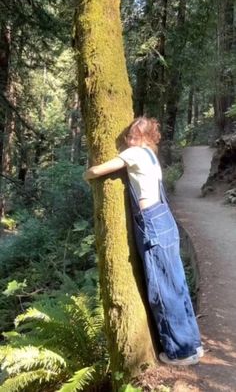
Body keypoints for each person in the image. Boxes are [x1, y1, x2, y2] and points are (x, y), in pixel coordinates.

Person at [83, 116, 203, 366]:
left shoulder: (135, 153)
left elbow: (97, 171)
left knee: (162, 289)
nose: (128, 140)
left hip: (152, 222)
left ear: (142, 137)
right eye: (129, 136)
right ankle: (192, 345)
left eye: (132, 135)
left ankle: (179, 352)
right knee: (176, 282)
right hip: (165, 219)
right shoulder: (150, 155)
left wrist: (87, 173)